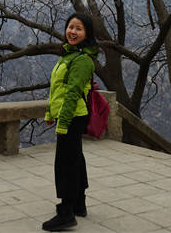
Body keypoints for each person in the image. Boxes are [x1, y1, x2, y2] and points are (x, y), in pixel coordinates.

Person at [42, 12, 97, 231]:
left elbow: (73, 93)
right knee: (74, 158)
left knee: (64, 163)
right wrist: (49, 113)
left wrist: (62, 123)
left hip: (73, 116)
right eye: (70, 27)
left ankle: (66, 212)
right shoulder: (68, 55)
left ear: (87, 34)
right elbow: (57, 89)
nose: (73, 32)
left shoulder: (82, 59)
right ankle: (79, 204)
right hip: (68, 115)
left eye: (79, 28)